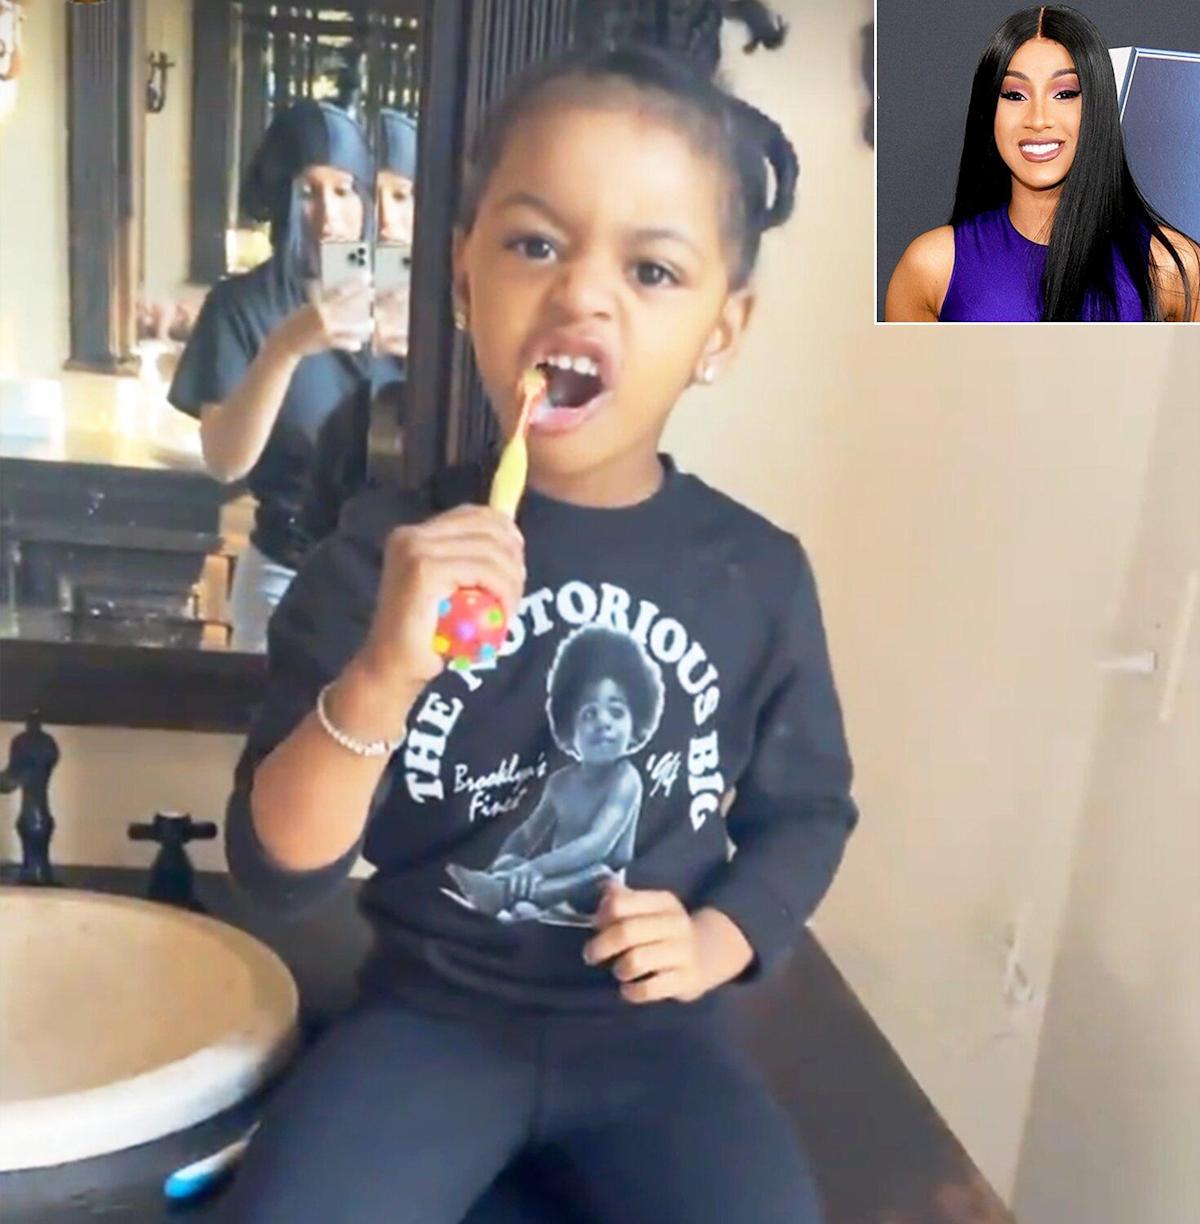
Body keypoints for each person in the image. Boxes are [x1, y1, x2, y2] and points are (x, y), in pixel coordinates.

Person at [221, 8, 856, 1223]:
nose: (582, 294)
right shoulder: (382, 552)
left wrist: (719, 940)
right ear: (464, 274)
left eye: (651, 271)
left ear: (720, 333)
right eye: (534, 244)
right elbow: (277, 869)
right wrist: (383, 675)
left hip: (657, 1041)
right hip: (428, 1021)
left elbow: (808, 814)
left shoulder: (757, 575)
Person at [169, 100, 397, 651]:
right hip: (286, 577)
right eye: (307, 192)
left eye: (344, 190)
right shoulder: (240, 306)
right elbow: (226, 461)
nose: (328, 215)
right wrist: (286, 347)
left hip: (393, 583)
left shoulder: (405, 289)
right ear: (279, 198)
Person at [886, 4, 1200, 322]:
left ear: (1097, 105)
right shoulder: (930, 267)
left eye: (1065, 94)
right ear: (988, 110)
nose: (1038, 120)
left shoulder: (1174, 269)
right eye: (1014, 95)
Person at [300, 107, 418, 548]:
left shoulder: (457, 312)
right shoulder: (314, 305)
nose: (385, 219)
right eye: (371, 195)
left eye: (401, 197)